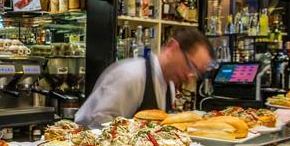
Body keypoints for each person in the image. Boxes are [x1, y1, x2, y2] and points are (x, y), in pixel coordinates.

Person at [75, 27, 213, 129]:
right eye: (190, 65)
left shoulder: (168, 84)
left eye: (196, 72)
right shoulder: (131, 75)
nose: (190, 76)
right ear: (173, 48)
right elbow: (99, 122)